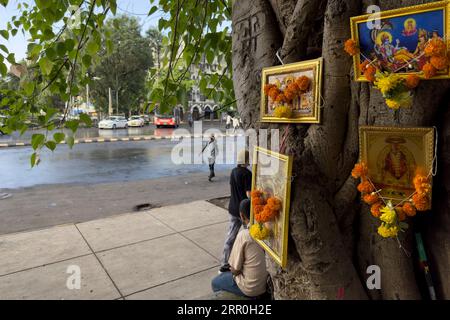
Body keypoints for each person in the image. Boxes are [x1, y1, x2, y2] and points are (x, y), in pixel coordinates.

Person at [211, 199, 268, 298]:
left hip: (251, 288)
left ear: (241, 215)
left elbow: (236, 270)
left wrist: (230, 269)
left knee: (215, 282)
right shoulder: (265, 230)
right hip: (266, 284)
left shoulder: (244, 235)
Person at [219, 149, 252, 273]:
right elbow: (248, 195)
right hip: (243, 211)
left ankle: (224, 262)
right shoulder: (247, 174)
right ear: (247, 160)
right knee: (248, 237)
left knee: (230, 236)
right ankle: (245, 261)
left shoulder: (233, 171)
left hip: (232, 208)